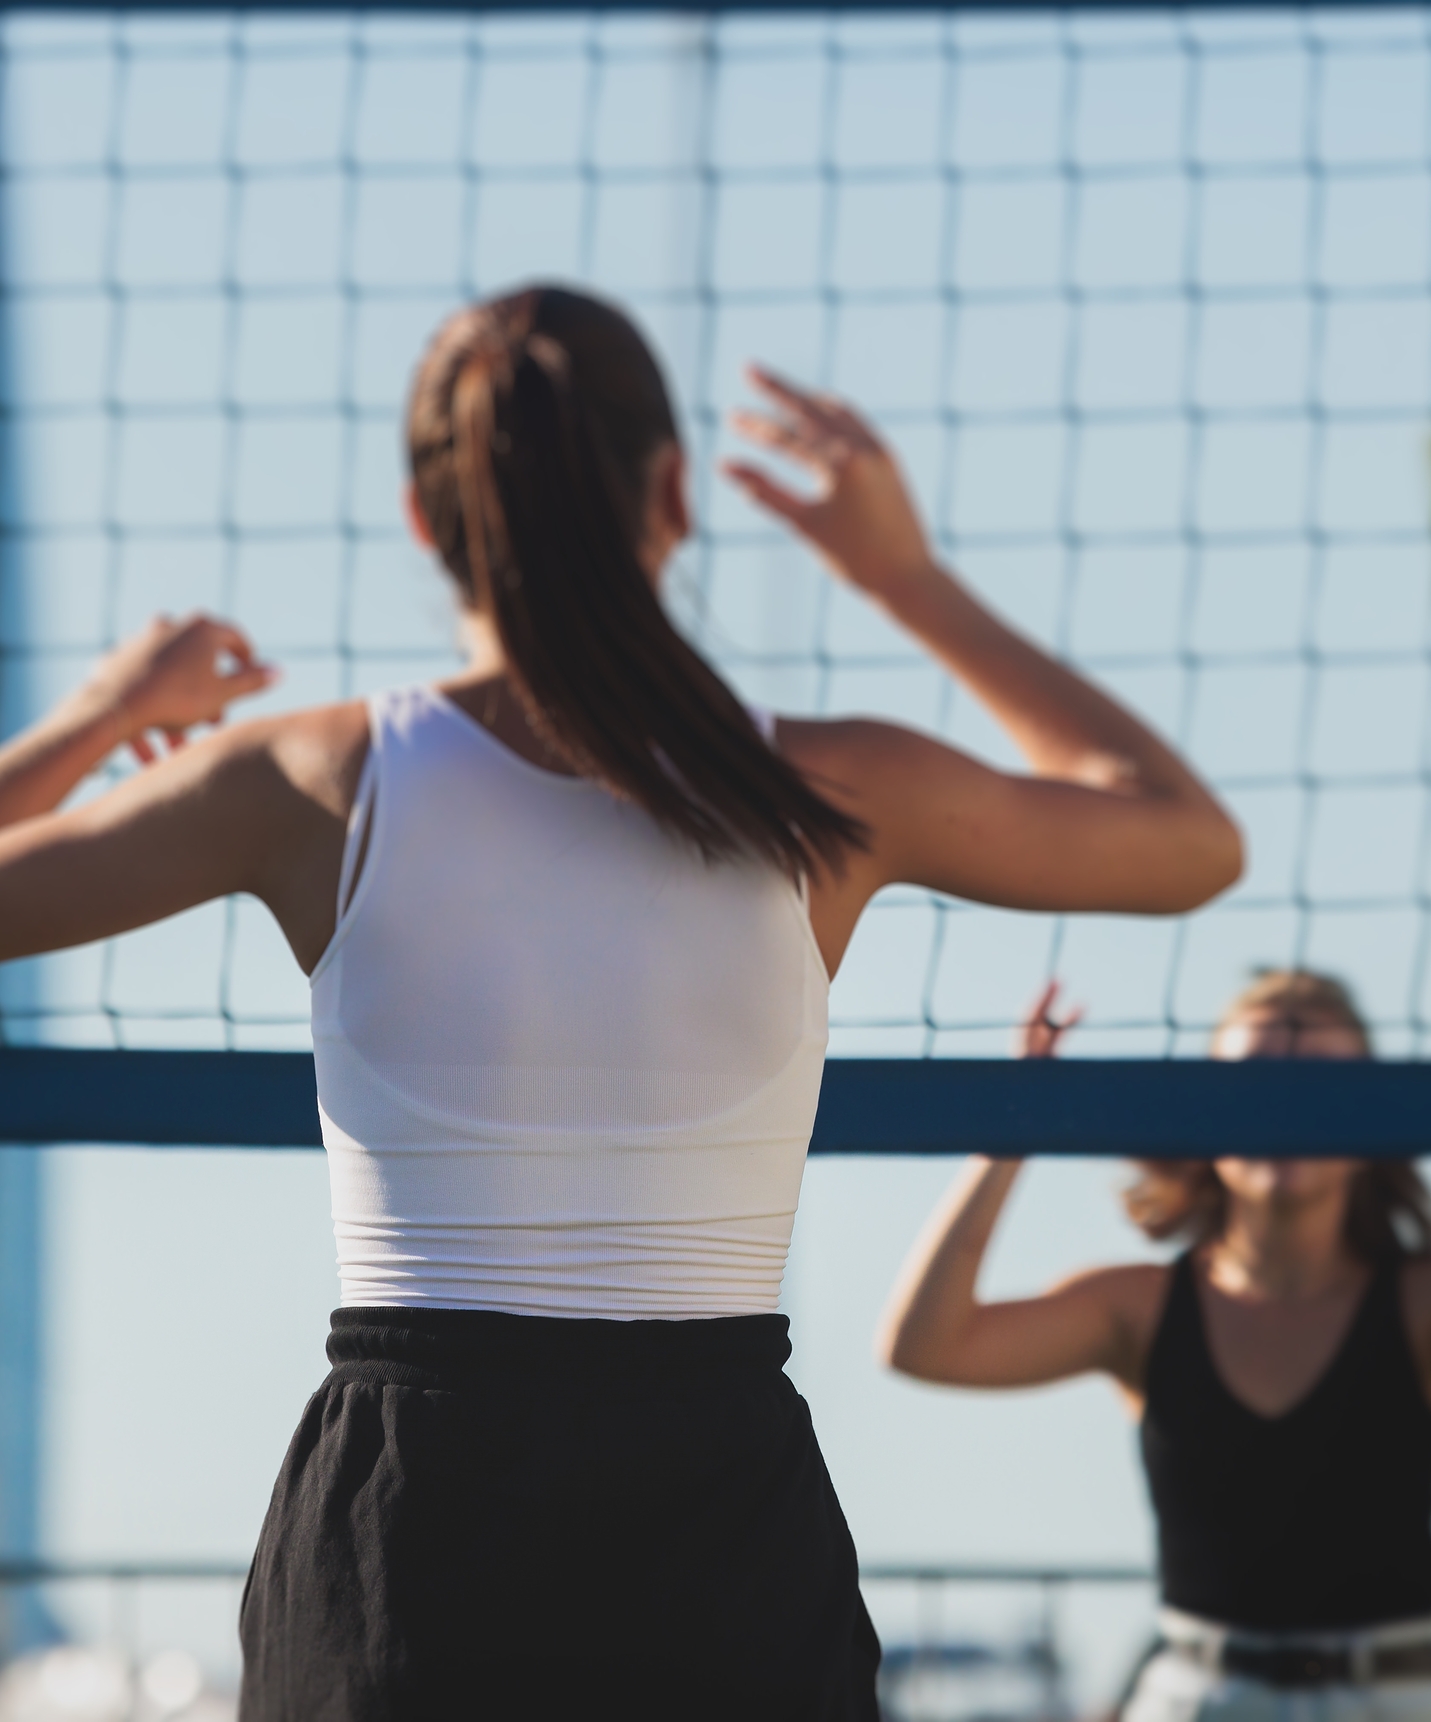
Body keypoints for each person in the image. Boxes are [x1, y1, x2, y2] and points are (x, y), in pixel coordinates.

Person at [0, 284, 1240, 1720]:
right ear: (674, 492)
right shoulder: (824, 791)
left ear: (423, 523)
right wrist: (901, 577)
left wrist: (98, 717)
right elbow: (1181, 838)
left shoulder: (313, 781)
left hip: (411, 1530)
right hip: (714, 1520)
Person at [880, 969, 1431, 1721]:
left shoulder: (1414, 1302)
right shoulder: (1138, 1306)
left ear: (1372, 1120)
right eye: (1253, 1078)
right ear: (1203, 1117)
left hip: (1394, 1696)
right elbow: (924, 1345)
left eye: (1313, 1078)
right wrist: (1012, 1123)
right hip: (1196, 1695)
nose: (1283, 1101)